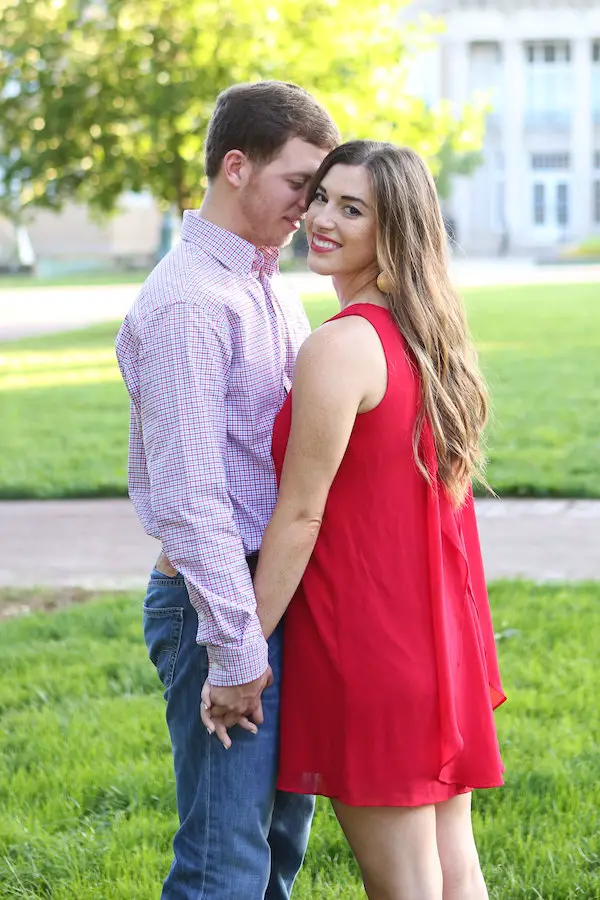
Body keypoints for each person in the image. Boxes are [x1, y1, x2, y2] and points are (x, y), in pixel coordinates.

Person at [202, 141, 507, 900]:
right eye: (322, 199)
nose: (322, 221)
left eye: (352, 208)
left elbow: (301, 516)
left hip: (369, 652)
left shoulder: (340, 346)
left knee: (405, 885)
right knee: (453, 871)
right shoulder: (428, 337)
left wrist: (240, 656)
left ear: (393, 229)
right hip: (437, 647)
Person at [115, 81, 340, 899]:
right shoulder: (189, 304)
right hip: (220, 603)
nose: (310, 208)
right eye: (299, 185)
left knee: (277, 847)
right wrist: (237, 651)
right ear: (236, 167)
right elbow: (191, 498)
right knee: (224, 862)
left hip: (271, 589)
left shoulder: (263, 284)